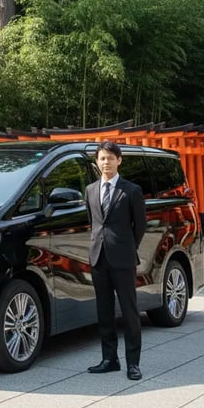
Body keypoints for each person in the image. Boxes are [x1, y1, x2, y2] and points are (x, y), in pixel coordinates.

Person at [85, 141, 147, 380]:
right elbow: (94, 222)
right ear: (97, 162)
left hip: (123, 258)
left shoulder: (131, 190)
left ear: (119, 160)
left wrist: (128, 248)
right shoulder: (90, 189)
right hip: (98, 257)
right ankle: (109, 359)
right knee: (104, 311)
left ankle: (133, 363)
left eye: (111, 158)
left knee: (130, 311)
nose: (106, 162)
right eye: (102, 158)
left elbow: (139, 225)